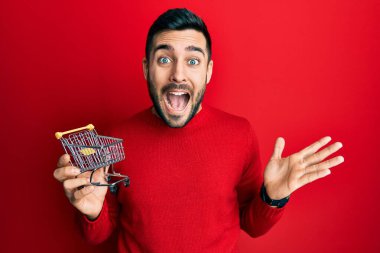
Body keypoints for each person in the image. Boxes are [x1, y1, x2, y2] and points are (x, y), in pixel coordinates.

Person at [53, 8, 344, 253]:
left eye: (192, 61)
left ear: (208, 71)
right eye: (164, 59)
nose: (178, 73)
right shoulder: (116, 139)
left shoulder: (240, 134)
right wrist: (91, 211)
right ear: (146, 68)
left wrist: (274, 197)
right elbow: (100, 234)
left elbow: (252, 225)